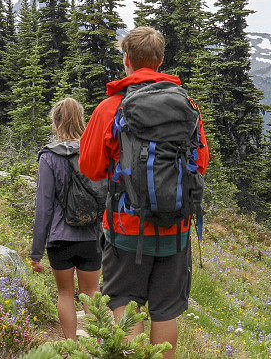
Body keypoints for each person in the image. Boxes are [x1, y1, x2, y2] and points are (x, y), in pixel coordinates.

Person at [79, 26, 209, 357]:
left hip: (126, 230)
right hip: (175, 229)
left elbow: (90, 167)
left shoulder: (111, 108)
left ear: (126, 60)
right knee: (166, 311)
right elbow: (201, 162)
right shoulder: (186, 104)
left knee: (125, 304)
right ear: (161, 60)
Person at [30, 98, 102, 340]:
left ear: (55, 121)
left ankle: (71, 348)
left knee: (65, 293)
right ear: (81, 120)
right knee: (92, 292)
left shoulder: (48, 156)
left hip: (59, 238)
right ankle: (99, 345)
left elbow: (44, 207)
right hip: (91, 235)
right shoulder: (94, 151)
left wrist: (36, 252)